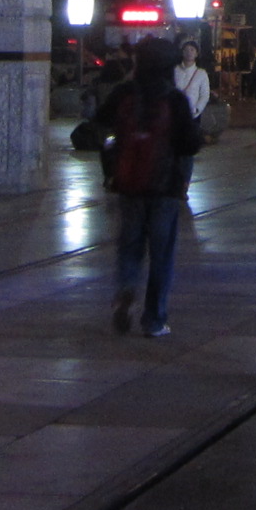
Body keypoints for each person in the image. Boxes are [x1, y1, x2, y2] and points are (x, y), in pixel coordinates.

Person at [103, 41, 205, 338]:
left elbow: (100, 121)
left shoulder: (125, 92)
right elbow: (190, 144)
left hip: (129, 183)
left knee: (129, 244)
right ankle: (154, 319)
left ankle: (125, 287)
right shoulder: (174, 99)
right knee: (161, 254)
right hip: (165, 188)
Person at [174, 40, 213, 124]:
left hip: (193, 115)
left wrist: (197, 109)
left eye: (192, 50)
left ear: (196, 54)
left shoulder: (201, 73)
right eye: (186, 50)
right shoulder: (175, 70)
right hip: (176, 113)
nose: (189, 52)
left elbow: (205, 94)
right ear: (182, 53)